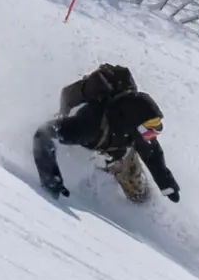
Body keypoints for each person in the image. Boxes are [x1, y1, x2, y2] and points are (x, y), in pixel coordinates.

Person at [34, 64, 180, 204]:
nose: (151, 134)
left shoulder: (137, 130)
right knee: (92, 173)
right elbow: (43, 134)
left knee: (140, 197)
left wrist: (166, 184)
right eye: (149, 128)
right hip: (88, 149)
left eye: (156, 127)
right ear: (133, 120)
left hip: (117, 151)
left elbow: (152, 152)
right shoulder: (90, 123)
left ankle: (140, 207)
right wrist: (50, 179)